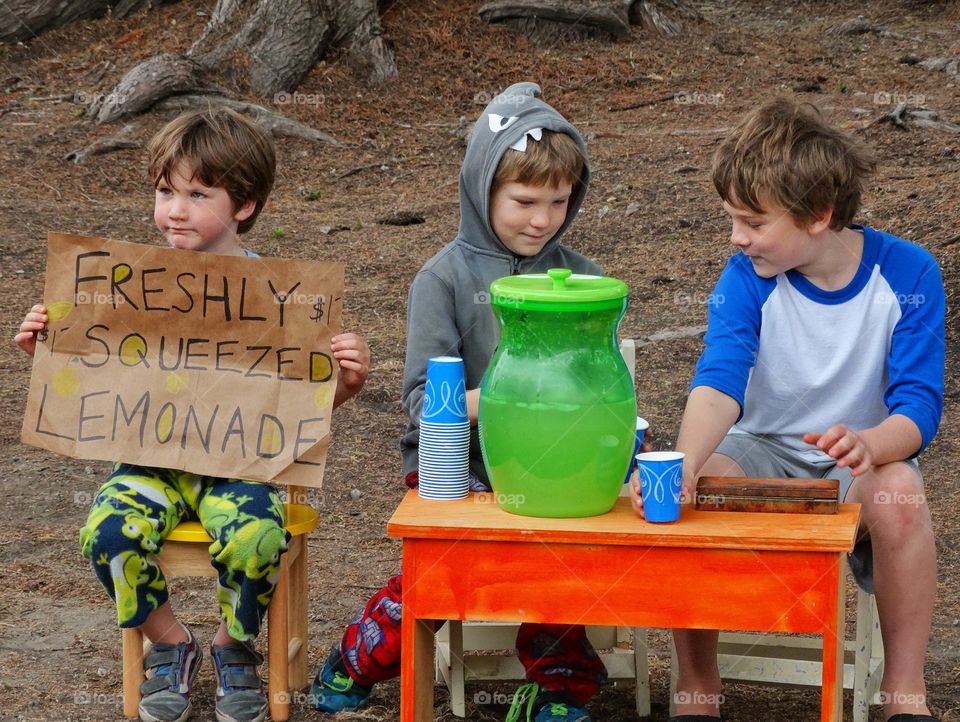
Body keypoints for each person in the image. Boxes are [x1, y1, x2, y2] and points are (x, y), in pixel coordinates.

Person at [15, 107, 370, 722]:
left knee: (258, 536)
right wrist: (45, 353)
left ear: (245, 206)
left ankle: (235, 646)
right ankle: (170, 644)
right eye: (164, 191)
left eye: (197, 194)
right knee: (106, 532)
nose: (174, 209)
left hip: (242, 469)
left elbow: (298, 405)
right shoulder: (127, 287)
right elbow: (93, 374)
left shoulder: (282, 295)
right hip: (149, 465)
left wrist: (344, 384)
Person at [310, 82, 618, 722]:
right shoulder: (443, 279)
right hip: (456, 461)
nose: (543, 219)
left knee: (557, 556)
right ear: (483, 191)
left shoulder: (584, 279)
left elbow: (599, 382)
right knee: (443, 573)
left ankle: (559, 688)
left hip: (555, 465)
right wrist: (512, 398)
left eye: (559, 202)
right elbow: (425, 403)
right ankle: (357, 659)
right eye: (525, 201)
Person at [631, 97, 944, 722]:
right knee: (705, 485)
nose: (736, 237)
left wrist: (872, 445)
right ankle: (698, 691)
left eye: (751, 221)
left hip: (857, 461)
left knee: (903, 493)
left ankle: (904, 695)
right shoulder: (748, 275)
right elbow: (720, 381)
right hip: (763, 447)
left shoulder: (908, 273)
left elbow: (919, 406)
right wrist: (687, 467)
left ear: (817, 215)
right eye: (731, 219)